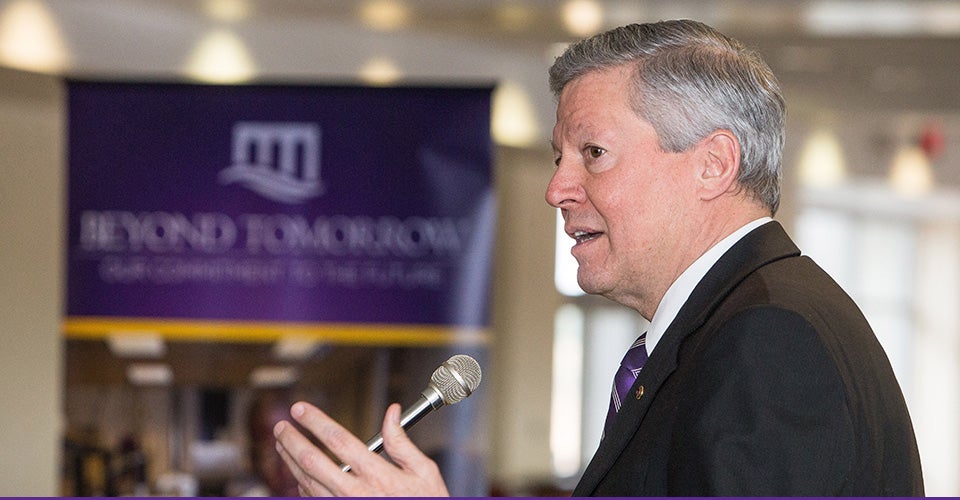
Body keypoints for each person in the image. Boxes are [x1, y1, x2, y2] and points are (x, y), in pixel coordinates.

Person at [273, 19, 925, 496]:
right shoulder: (739, 323)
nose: (558, 188)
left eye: (593, 154)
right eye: (560, 158)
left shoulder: (767, 339)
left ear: (712, 165)